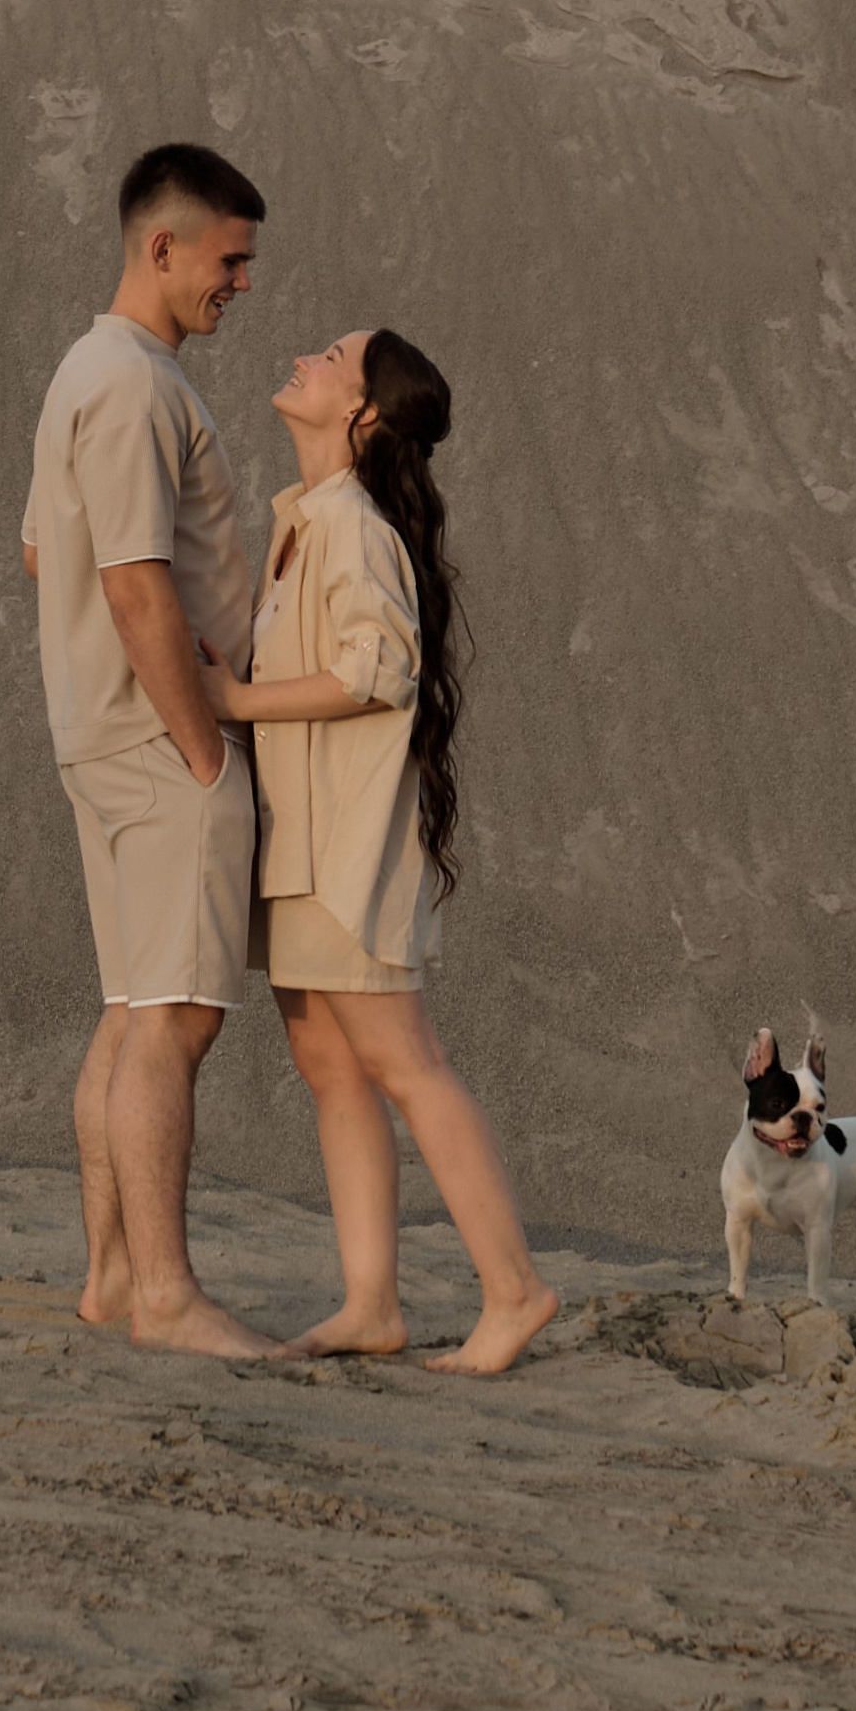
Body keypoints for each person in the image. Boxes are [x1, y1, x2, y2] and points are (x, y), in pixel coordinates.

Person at [199, 326, 559, 1376]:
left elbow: (380, 669)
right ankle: (370, 1302)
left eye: (331, 355)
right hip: (301, 849)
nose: (304, 356)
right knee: (330, 1069)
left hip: (351, 850)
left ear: (362, 415)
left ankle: (515, 1290)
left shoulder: (352, 526)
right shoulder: (307, 520)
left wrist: (236, 698)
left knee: (408, 1065)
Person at [23, 143, 274, 1360]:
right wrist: (205, 747)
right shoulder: (131, 382)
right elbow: (132, 584)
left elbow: (43, 554)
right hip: (154, 740)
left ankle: (114, 1280)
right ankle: (166, 1294)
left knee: (132, 1013)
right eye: (228, 258)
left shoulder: (87, 370)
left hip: (99, 729)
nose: (239, 282)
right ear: (160, 245)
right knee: (173, 1020)